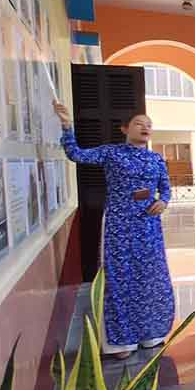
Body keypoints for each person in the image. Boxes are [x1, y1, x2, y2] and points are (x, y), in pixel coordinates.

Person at [56, 103, 175, 359]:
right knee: (120, 279)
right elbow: (76, 154)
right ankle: (122, 342)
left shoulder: (155, 158)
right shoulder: (111, 152)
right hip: (120, 225)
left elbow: (165, 187)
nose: (145, 127)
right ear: (124, 128)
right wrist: (67, 125)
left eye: (149, 124)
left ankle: (151, 334)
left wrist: (163, 201)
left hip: (148, 226)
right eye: (139, 123)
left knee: (150, 278)